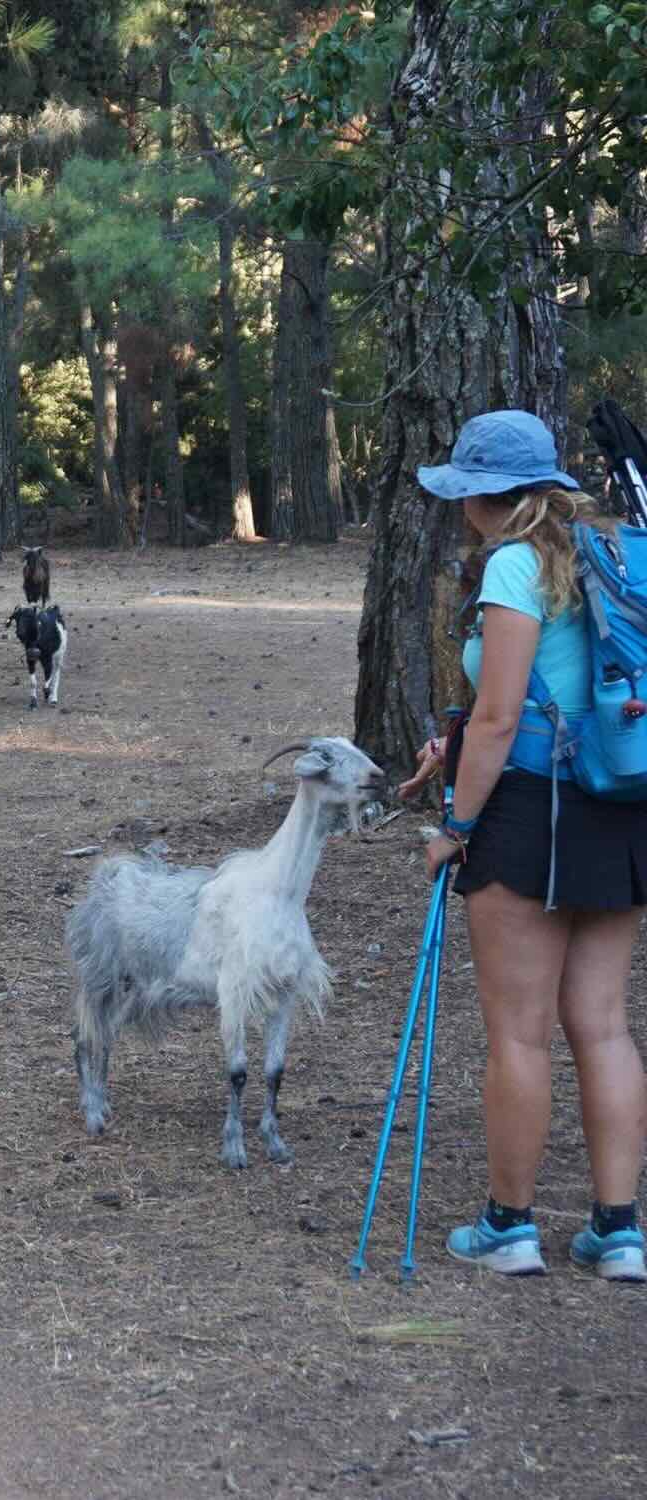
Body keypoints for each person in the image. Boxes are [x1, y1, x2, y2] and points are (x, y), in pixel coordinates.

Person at [400, 409, 647, 1281]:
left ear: (481, 497)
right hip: (620, 802)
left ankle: (510, 1227)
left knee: (520, 1034)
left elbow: (505, 717)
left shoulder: (515, 564)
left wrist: (454, 828)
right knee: (605, 1027)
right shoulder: (614, 551)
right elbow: (555, 691)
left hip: (529, 815)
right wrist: (458, 740)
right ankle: (618, 1231)